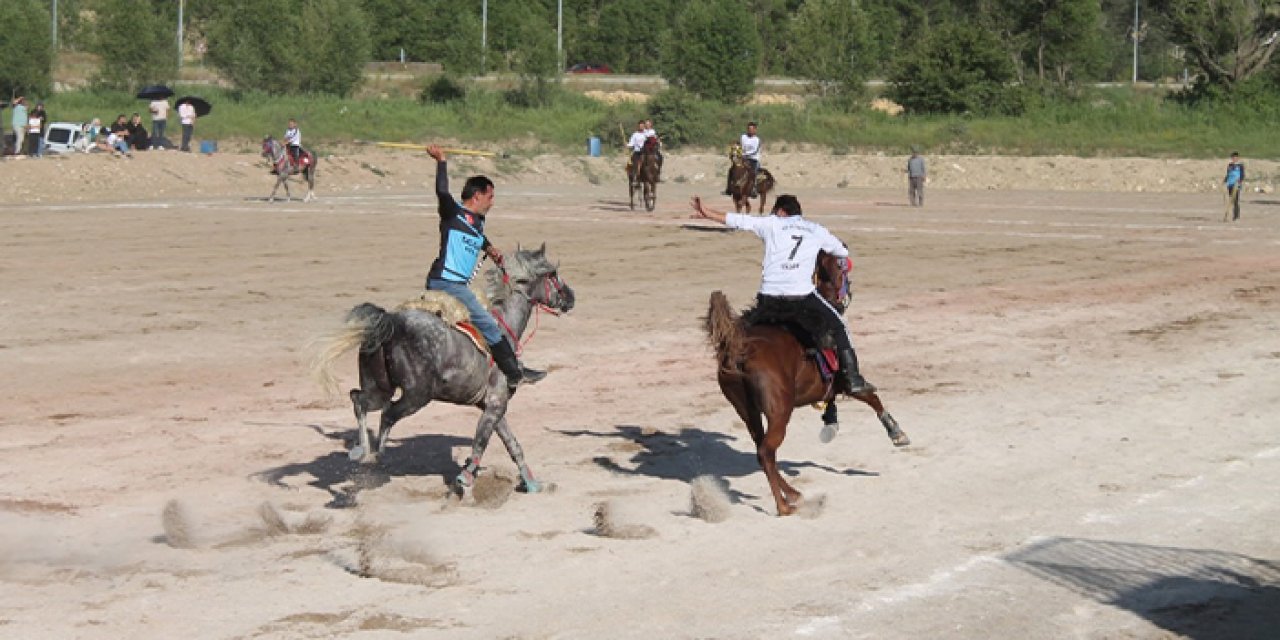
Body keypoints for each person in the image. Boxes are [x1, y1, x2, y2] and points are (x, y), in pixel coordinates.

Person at [689, 193, 876, 395]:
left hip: (769, 298)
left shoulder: (771, 224)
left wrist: (706, 212)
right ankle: (853, 379)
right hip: (802, 298)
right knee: (839, 327)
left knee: (742, 331)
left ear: (780, 212)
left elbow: (735, 220)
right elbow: (842, 253)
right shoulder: (816, 229)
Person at [423, 144, 546, 395]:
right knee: (489, 325)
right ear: (476, 196)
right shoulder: (452, 212)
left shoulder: (477, 223)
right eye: (490, 197)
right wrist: (441, 161)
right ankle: (514, 374)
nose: (492, 202)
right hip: (447, 283)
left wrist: (489, 249)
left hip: (456, 285)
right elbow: (441, 191)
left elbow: (477, 235)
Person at [725, 121, 760, 197]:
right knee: (732, 169)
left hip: (753, 159)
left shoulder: (756, 139)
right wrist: (735, 150)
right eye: (748, 129)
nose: (750, 130)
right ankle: (729, 188)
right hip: (742, 157)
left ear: (755, 130)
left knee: (754, 172)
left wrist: (746, 155)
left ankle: (754, 188)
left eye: (751, 129)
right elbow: (740, 145)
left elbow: (755, 151)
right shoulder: (743, 136)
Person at [1223, 151, 1244, 222]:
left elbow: (1242, 175)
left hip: (1236, 185)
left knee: (1235, 200)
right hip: (1230, 184)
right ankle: (1230, 215)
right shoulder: (1230, 165)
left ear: (1238, 158)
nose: (1234, 159)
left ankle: (1236, 216)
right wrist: (1225, 181)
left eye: (1235, 157)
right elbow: (1228, 174)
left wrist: (1239, 181)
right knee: (1231, 200)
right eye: (1233, 157)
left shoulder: (1240, 166)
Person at [626, 119, 647, 185]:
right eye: (640, 126)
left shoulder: (647, 134)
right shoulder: (635, 134)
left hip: (645, 152)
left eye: (643, 126)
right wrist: (627, 145)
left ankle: (655, 174)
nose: (641, 127)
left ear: (644, 126)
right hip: (637, 152)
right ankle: (635, 176)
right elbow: (631, 144)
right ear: (638, 126)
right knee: (634, 162)